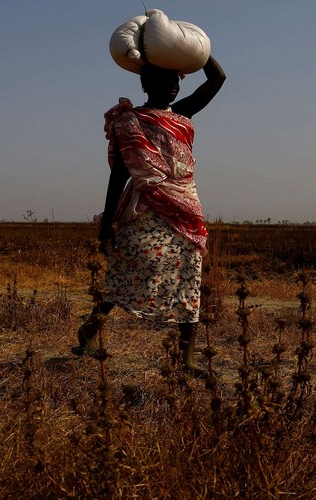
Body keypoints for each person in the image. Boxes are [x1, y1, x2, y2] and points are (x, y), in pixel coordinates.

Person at [74, 56, 226, 374]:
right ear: (146, 83)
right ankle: (90, 328)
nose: (172, 87)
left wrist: (197, 52)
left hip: (184, 205)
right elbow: (119, 174)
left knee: (190, 276)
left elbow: (217, 79)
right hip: (143, 206)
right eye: (163, 81)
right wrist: (107, 225)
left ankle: (186, 359)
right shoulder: (130, 121)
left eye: (176, 81)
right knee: (129, 268)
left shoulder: (183, 112)